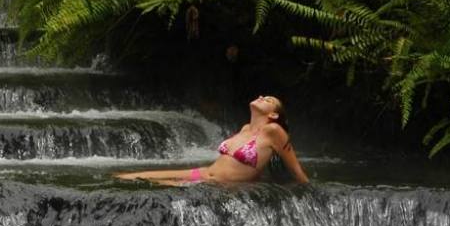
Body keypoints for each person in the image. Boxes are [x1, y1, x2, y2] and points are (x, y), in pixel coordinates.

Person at [114, 95, 309, 186]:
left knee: (156, 185)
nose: (261, 97)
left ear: (274, 115)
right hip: (204, 173)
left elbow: (295, 168)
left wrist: (308, 190)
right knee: (132, 176)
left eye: (268, 100)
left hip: (216, 183)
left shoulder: (274, 131)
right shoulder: (245, 129)